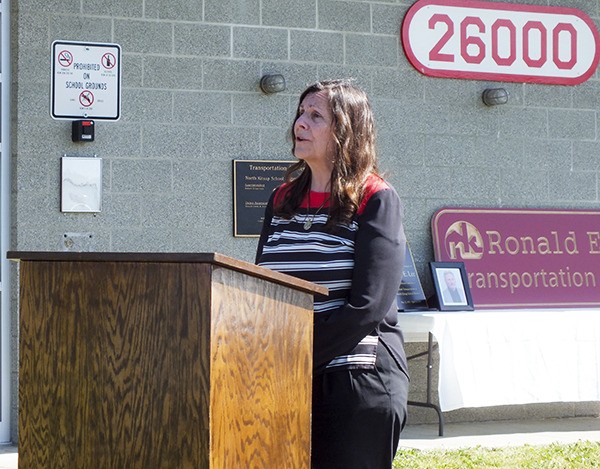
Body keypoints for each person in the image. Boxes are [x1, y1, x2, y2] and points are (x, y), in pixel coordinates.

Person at [255, 79, 410, 468]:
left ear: (345, 132)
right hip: (287, 379)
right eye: (300, 113)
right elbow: (260, 285)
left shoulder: (376, 198)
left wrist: (299, 352)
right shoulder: (282, 199)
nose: (299, 124)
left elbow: (368, 306)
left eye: (315, 116)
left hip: (356, 385)